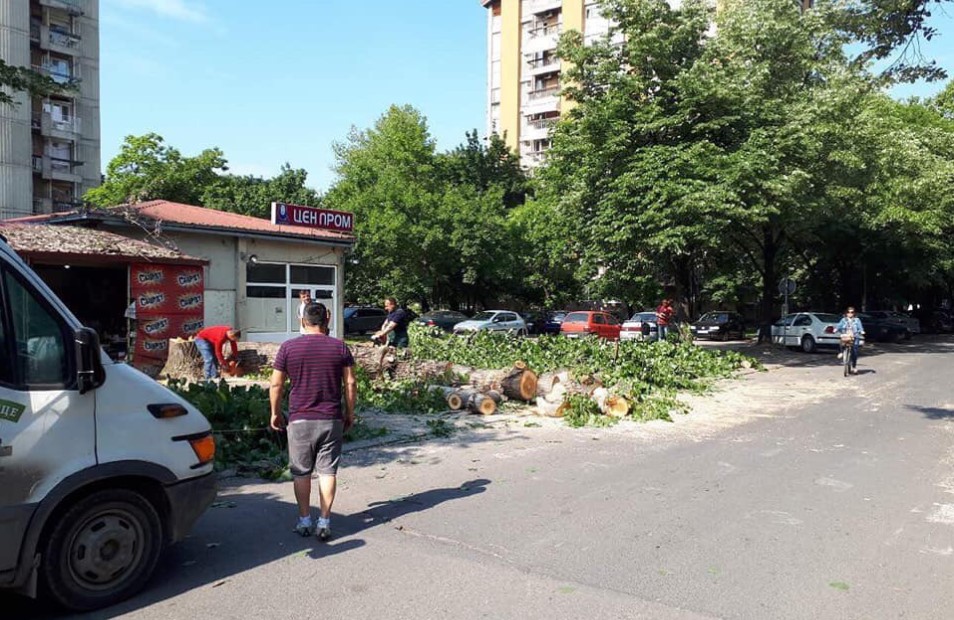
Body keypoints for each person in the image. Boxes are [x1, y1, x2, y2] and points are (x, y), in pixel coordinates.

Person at [269, 302, 357, 541]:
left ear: (302, 321)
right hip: (330, 418)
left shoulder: (288, 348)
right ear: (326, 321)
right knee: (328, 471)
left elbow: (276, 384)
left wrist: (275, 413)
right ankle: (325, 521)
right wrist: (350, 412)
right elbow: (350, 383)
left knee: (302, 473)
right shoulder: (340, 347)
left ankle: (305, 520)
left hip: (299, 419)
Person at [836, 306, 865, 374]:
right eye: (848, 312)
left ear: (854, 313)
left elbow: (860, 327)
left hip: (854, 336)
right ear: (846, 313)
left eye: (852, 312)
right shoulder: (843, 320)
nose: (850, 314)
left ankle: (854, 367)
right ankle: (842, 352)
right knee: (842, 341)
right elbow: (839, 326)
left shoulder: (857, 320)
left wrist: (861, 331)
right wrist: (836, 329)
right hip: (846, 335)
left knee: (854, 352)